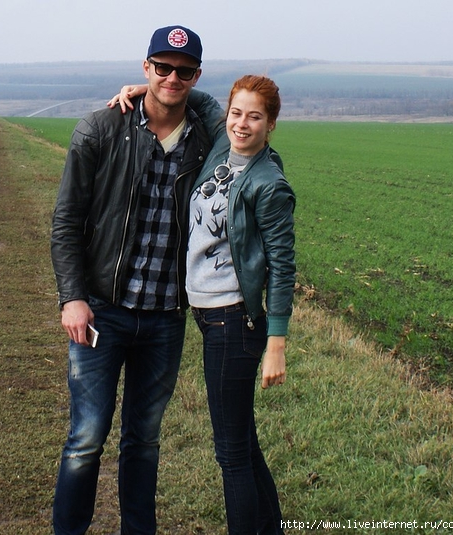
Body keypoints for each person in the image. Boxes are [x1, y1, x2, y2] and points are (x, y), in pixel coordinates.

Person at [49, 25, 222, 535]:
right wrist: (72, 298)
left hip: (166, 318)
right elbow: (66, 221)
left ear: (197, 76)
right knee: (86, 437)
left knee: (144, 439)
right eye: (162, 68)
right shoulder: (100, 129)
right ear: (145, 67)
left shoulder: (206, 139)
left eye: (184, 71)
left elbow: (233, 113)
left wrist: (171, 90)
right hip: (103, 311)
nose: (172, 78)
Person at [110, 75, 296, 534]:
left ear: (271, 124)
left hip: (234, 320)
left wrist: (276, 343)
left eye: (255, 117)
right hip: (210, 316)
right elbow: (197, 95)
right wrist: (145, 89)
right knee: (244, 443)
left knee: (231, 454)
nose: (242, 124)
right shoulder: (221, 146)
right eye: (237, 113)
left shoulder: (268, 184)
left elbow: (283, 267)